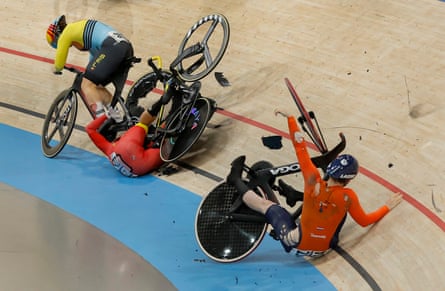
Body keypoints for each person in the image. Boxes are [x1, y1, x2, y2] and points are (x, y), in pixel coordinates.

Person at [226, 112, 403, 257]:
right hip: (326, 247)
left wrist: (291, 120)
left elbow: (300, 148)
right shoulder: (349, 196)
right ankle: (295, 197)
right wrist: (387, 207)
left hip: (297, 241)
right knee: (340, 210)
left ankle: (235, 179)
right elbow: (364, 221)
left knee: (266, 206)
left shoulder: (312, 181)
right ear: (349, 179)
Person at [45, 15, 133, 118]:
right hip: (122, 47)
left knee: (86, 84)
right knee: (96, 85)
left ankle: (100, 120)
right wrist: (88, 72)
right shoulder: (81, 32)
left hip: (113, 46)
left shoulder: (67, 32)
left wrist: (56, 68)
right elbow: (95, 59)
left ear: (57, 36)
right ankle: (117, 118)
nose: (69, 45)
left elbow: (59, 62)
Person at [85, 98, 167, 177]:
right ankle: (162, 100)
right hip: (127, 149)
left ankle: (171, 119)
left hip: (137, 169)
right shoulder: (110, 150)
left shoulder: (108, 149)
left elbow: (89, 129)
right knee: (143, 123)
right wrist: (107, 115)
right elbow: (89, 129)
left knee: (165, 150)